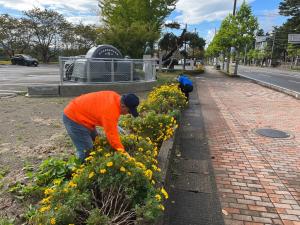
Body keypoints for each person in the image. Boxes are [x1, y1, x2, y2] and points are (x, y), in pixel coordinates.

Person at [62, 91, 139, 161]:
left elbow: (101, 113)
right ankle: (78, 171)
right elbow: (112, 136)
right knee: (86, 151)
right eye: (129, 111)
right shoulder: (111, 111)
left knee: (96, 141)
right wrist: (123, 153)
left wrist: (114, 126)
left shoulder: (115, 97)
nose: (127, 114)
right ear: (123, 106)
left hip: (82, 113)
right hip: (74, 118)